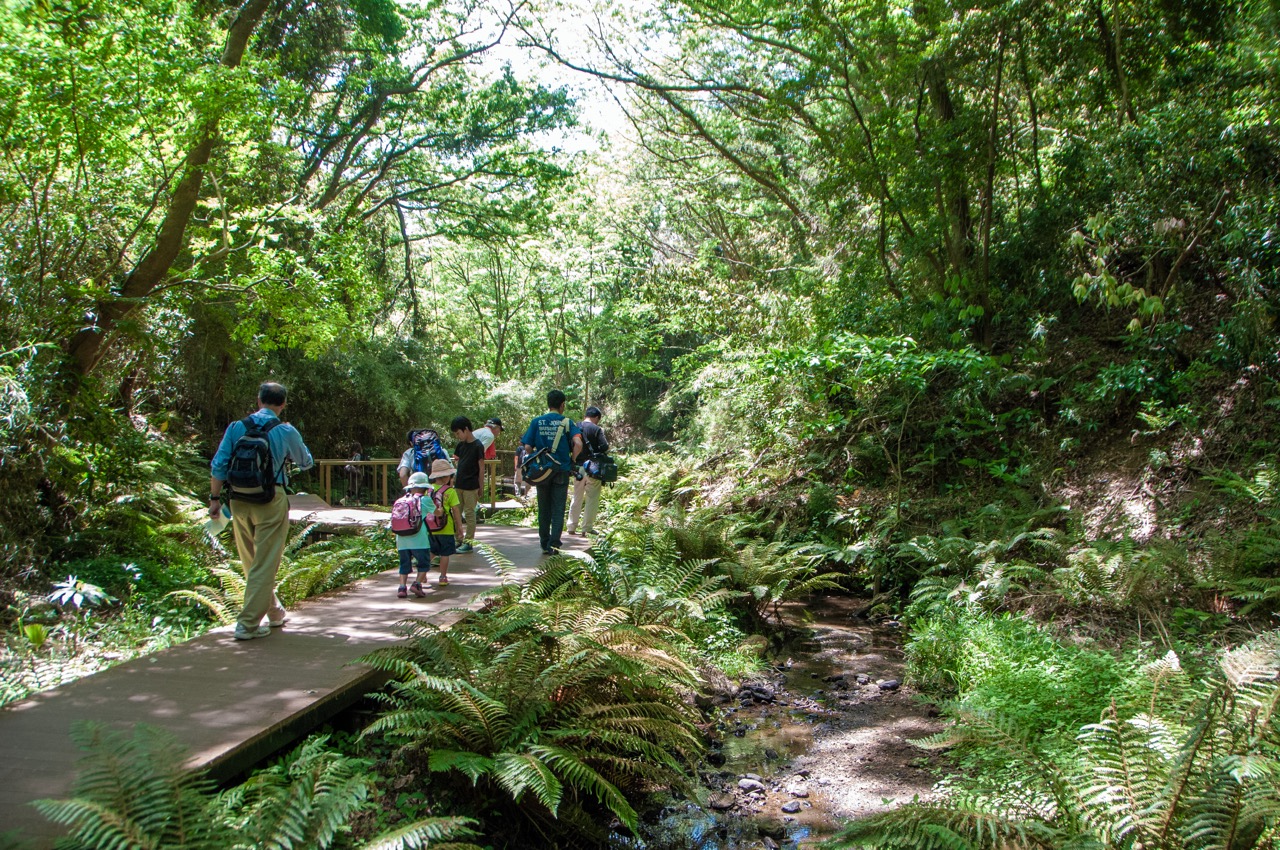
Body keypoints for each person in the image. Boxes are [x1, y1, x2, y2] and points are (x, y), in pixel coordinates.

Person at [209, 382, 314, 640]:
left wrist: (214, 499)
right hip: (270, 499)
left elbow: (219, 464)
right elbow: (306, 462)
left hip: (238, 500)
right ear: (283, 404)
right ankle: (247, 625)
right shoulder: (285, 430)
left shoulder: (237, 427)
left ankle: (275, 612)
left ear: (258, 400)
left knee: (251, 561)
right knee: (265, 564)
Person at [520, 389, 583, 555]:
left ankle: (544, 543)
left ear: (548, 404)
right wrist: (573, 460)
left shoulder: (537, 421)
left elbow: (527, 447)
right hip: (561, 470)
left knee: (544, 507)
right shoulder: (567, 422)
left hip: (542, 471)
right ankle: (554, 544)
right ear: (562, 405)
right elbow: (578, 443)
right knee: (557, 507)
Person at [567, 406, 609, 537]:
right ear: (596, 417)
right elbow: (604, 447)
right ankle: (586, 528)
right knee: (592, 498)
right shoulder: (597, 430)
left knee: (576, 496)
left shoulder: (575, 427)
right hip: (593, 469)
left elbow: (570, 445)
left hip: (578, 468)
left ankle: (571, 526)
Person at [394, 472, 434, 598]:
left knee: (404, 564)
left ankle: (402, 588)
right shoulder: (425, 500)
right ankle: (416, 584)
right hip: (419, 539)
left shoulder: (401, 500)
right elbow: (437, 514)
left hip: (401, 539)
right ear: (425, 487)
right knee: (424, 563)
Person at [426, 458, 464, 585]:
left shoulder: (428, 491)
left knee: (431, 552)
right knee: (444, 554)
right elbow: (456, 511)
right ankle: (442, 577)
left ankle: (422, 573)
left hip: (430, 528)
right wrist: (459, 527)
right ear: (447, 476)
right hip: (446, 528)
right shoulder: (450, 492)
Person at [449, 415, 484, 554]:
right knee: (455, 512)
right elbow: (457, 461)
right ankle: (458, 539)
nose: (458, 436)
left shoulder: (477, 445)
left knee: (469, 514)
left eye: (458, 433)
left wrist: (481, 486)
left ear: (466, 429)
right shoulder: (461, 445)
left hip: (471, 485)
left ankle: (469, 542)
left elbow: (481, 467)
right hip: (459, 484)